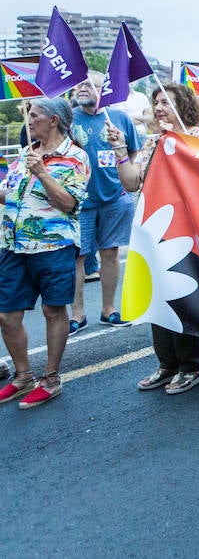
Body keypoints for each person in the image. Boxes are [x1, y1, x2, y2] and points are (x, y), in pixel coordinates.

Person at [107, 84, 199, 397]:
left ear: (183, 105)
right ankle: (166, 364)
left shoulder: (198, 136)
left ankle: (190, 366)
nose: (159, 108)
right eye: (155, 103)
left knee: (180, 295)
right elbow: (130, 182)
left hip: (184, 228)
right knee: (156, 297)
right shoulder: (153, 139)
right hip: (151, 227)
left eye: (166, 102)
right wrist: (120, 148)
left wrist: (176, 142)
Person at [0, 99, 89, 409]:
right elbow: (8, 194)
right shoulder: (26, 153)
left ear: (53, 120)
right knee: (7, 315)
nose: (29, 120)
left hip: (53, 246)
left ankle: (51, 378)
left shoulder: (75, 157)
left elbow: (69, 203)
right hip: (13, 245)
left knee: (53, 311)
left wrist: (41, 172)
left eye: (34, 115)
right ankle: (23, 376)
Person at [68, 71, 141, 332]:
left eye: (89, 84)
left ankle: (109, 309)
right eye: (80, 84)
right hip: (79, 202)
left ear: (104, 90)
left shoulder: (119, 118)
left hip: (115, 199)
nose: (82, 88)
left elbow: (134, 150)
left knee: (109, 253)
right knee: (78, 256)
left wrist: (125, 175)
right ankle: (77, 315)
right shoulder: (68, 118)